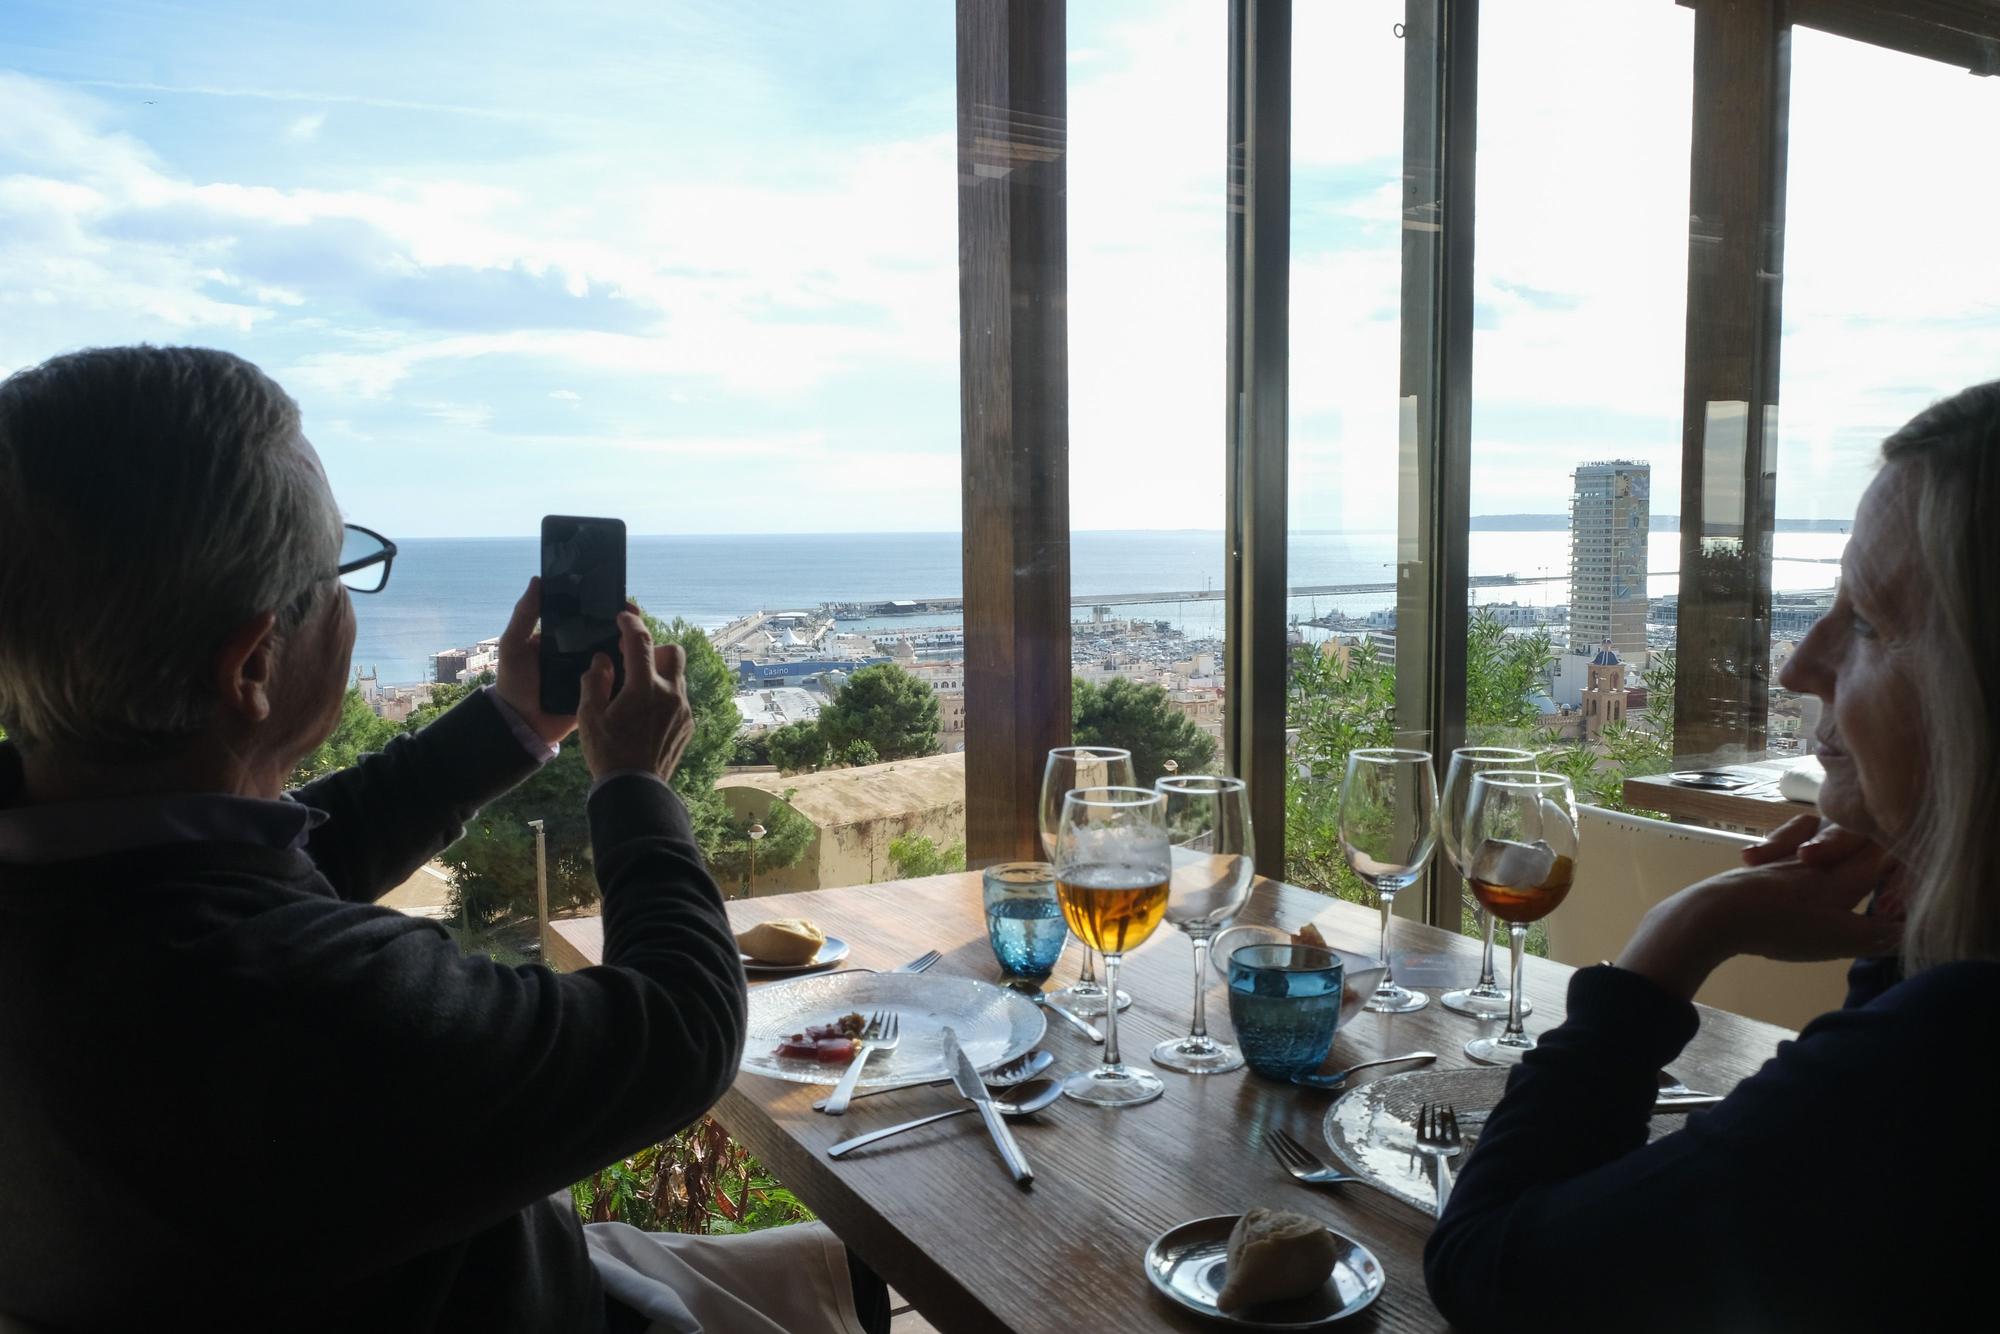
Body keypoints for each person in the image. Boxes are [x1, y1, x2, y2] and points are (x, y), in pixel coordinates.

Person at [0, 346, 880, 1334]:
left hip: (452, 1273)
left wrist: (512, 720)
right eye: (335, 568)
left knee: (841, 1269)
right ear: (250, 665)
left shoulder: (85, 892)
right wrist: (633, 783)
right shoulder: (291, 1005)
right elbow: (677, 1032)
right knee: (865, 1277)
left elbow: (263, 871)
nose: (345, 598)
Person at [1425, 380, 2000, 1331]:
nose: (1797, 665)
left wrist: (1678, 938)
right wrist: (1924, 880)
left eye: (1865, 621)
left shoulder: (1956, 1052)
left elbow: (1494, 1270)